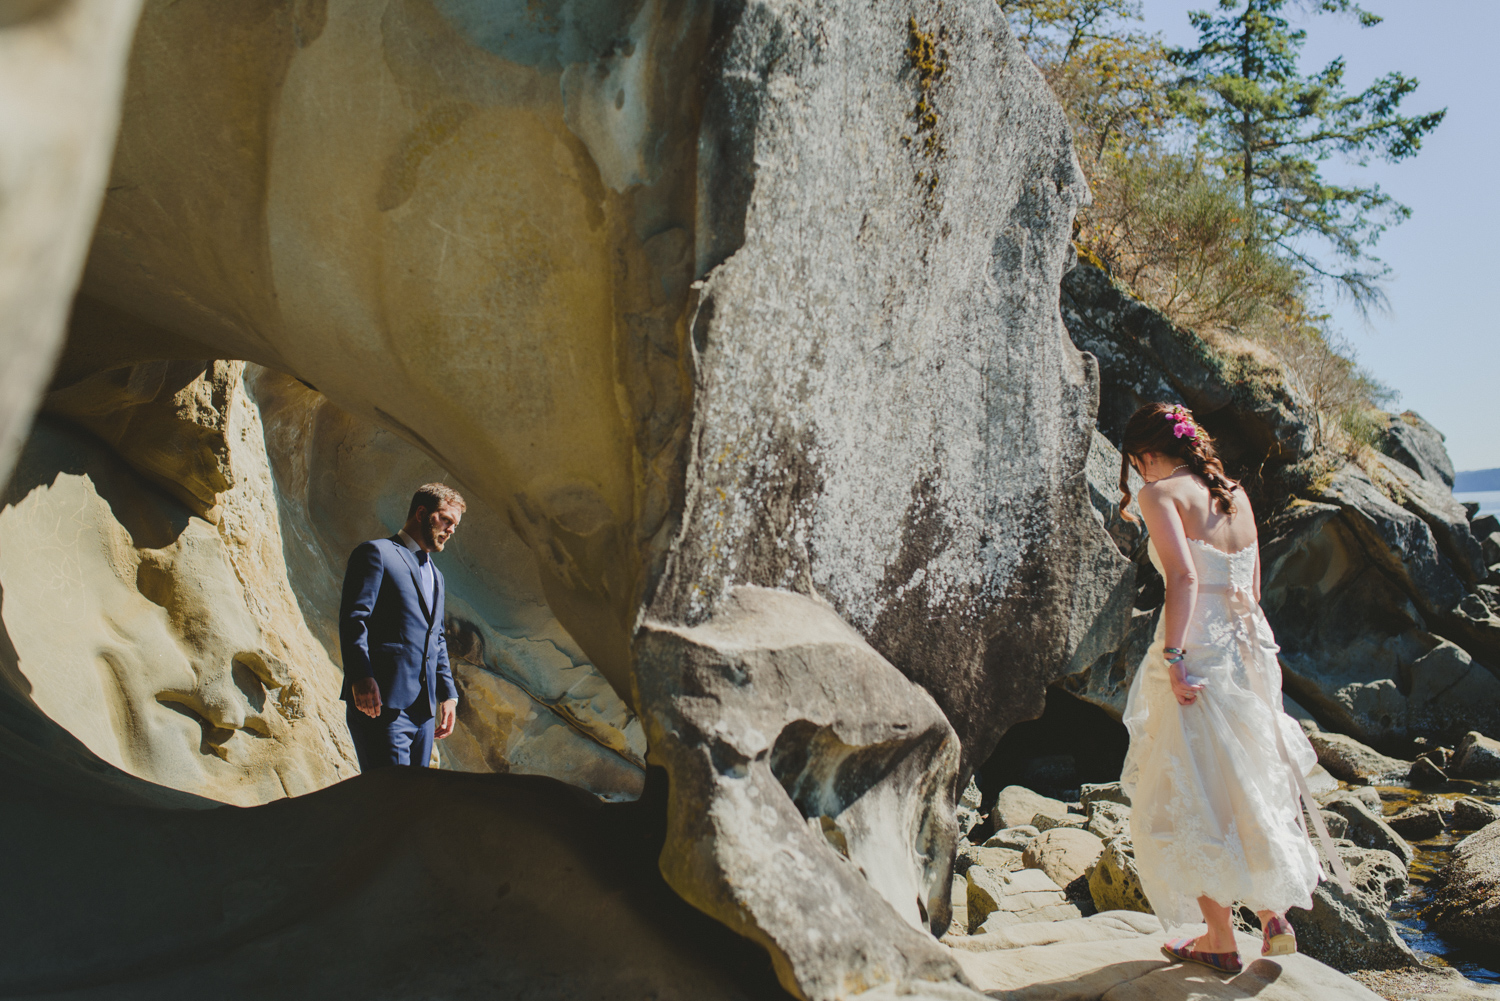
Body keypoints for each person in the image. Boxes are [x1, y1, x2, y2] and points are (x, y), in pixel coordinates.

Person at [1116, 402, 1349, 974]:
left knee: (1189, 787)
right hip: (1248, 646)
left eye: (1134, 464)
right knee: (1251, 776)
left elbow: (1184, 577)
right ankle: (1273, 915)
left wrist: (1174, 655)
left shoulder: (1160, 494)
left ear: (1146, 454)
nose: (1137, 476)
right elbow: (1253, 584)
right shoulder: (1234, 494)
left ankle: (1219, 935)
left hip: (1198, 648)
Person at [339, 483, 465, 769]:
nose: (451, 530)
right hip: (381, 705)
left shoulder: (437, 575)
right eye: (446, 520)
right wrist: (360, 676)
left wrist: (448, 695)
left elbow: (438, 638)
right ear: (422, 513)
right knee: (387, 802)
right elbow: (354, 619)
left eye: (455, 525)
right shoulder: (376, 553)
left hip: (423, 714)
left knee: (412, 804)